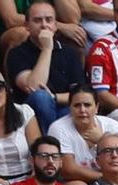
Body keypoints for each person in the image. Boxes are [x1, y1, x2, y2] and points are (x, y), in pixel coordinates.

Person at [6, 1, 85, 130]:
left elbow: (80, 94)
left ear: (55, 25)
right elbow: (34, 87)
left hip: (63, 107)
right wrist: (47, 49)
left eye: (49, 20)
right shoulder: (17, 53)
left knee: (68, 112)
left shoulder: (69, 52)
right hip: (31, 114)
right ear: (27, 26)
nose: (44, 25)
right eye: (37, 20)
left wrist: (55, 97)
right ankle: (48, 145)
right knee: (41, 97)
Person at [50, 85, 118, 185]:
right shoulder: (59, 128)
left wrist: (101, 140)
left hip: (112, 181)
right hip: (75, 181)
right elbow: (68, 170)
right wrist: (108, 178)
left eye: (87, 105)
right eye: (77, 105)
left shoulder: (113, 125)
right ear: (70, 108)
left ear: (97, 107)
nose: (82, 110)